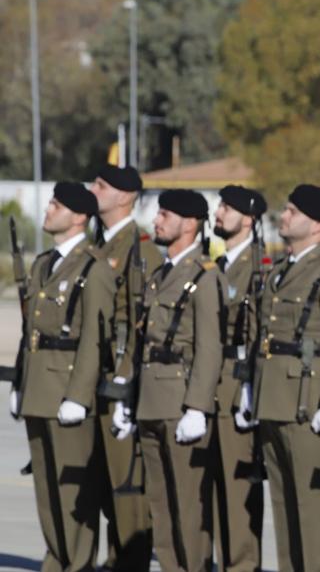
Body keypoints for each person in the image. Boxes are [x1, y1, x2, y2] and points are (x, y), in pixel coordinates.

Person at [242, 184, 320, 571]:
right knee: (285, 512)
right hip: (275, 401)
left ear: (319, 225)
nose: (283, 217)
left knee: (312, 514)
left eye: (292, 211)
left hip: (308, 405)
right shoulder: (282, 271)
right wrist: (250, 390)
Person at [112, 189, 224, 571]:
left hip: (180, 400)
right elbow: (141, 341)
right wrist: (128, 396)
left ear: (190, 224)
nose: (156, 221)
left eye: (166, 215)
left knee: (187, 508)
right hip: (151, 399)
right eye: (158, 214)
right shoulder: (161, 274)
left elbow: (210, 348)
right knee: (160, 505)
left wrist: (197, 407)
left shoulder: (204, 277)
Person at [13, 183, 114, 571]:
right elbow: (30, 333)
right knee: (46, 490)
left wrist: (79, 395)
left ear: (79, 217)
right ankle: (56, 559)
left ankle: (77, 564)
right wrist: (20, 382)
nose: (48, 209)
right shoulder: (43, 264)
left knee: (74, 494)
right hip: (39, 388)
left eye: (56, 205)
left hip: (67, 391)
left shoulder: (94, 268)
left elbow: (94, 338)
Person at [89, 164, 160, 568]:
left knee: (125, 485)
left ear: (124, 197)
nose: (93, 189)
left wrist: (126, 381)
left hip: (117, 376)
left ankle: (131, 561)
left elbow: (140, 322)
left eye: (102, 185)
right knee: (102, 484)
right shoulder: (100, 245)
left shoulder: (138, 247)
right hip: (93, 376)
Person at [209, 185, 267, 571]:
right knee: (212, 491)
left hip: (237, 384)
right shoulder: (218, 265)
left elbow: (259, 333)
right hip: (211, 385)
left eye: (228, 208)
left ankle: (242, 565)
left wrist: (252, 388)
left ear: (248, 219)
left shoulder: (259, 268)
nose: (219, 212)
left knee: (236, 489)